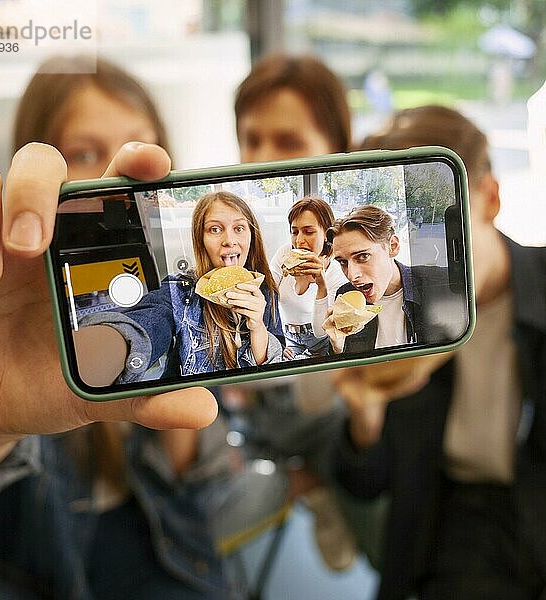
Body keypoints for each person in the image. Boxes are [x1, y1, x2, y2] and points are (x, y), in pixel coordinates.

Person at [0, 55, 242, 600]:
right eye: (84, 153)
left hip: (175, 563)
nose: (118, 174)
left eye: (140, 144)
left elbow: (210, 489)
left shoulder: (183, 291)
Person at [332, 105, 546, 599]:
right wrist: (365, 419)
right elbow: (366, 482)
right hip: (454, 519)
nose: (426, 251)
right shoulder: (383, 318)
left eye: (436, 219)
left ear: (489, 199)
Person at [226, 51, 382, 573]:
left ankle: (321, 489)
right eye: (251, 139)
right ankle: (307, 488)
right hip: (246, 407)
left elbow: (343, 337)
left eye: (288, 142)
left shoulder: (346, 249)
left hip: (321, 406)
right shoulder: (241, 221)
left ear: (335, 149)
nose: (262, 156)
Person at [77, 190, 284, 384]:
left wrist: (257, 327)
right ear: (200, 240)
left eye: (239, 228)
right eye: (215, 229)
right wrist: (96, 354)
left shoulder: (266, 291)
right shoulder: (180, 291)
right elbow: (146, 325)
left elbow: (274, 367)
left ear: (251, 236)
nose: (229, 240)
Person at [319, 204, 456, 355]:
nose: (352, 275)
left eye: (363, 256)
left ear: (393, 246)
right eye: (343, 262)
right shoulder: (346, 296)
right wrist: (337, 349)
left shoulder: (442, 284)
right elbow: (349, 372)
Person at [269, 196, 347, 359]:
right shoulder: (284, 254)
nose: (299, 241)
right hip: (288, 336)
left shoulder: (336, 272)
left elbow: (321, 331)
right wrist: (276, 341)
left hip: (320, 341)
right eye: (294, 231)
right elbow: (267, 297)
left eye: (309, 232)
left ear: (326, 234)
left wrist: (321, 285)